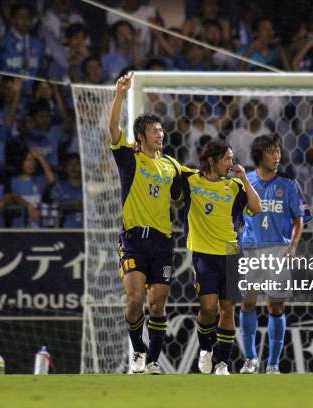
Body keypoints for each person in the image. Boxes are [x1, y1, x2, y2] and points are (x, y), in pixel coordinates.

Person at [108, 72, 182, 375]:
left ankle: (152, 360)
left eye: (161, 130)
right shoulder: (129, 158)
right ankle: (138, 352)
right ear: (141, 136)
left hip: (162, 241)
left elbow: (180, 195)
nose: (160, 134)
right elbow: (113, 128)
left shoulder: (171, 165)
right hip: (134, 239)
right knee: (136, 297)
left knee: (158, 304)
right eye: (154, 130)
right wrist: (120, 95)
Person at [180, 140, 261, 375]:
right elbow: (169, 168)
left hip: (231, 252)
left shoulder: (235, 186)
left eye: (232, 158)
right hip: (204, 252)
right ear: (211, 161)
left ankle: (222, 363)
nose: (231, 163)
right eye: (226, 158)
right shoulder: (190, 180)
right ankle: (206, 349)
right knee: (208, 308)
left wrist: (245, 178)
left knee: (228, 309)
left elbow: (257, 208)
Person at [238, 134, 311, 374]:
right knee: (248, 303)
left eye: (278, 151)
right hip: (251, 250)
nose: (277, 156)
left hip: (279, 251)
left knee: (275, 308)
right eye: (272, 152)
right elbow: (233, 214)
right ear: (260, 155)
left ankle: (273, 364)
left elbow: (299, 220)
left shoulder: (289, 184)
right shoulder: (245, 181)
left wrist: (292, 246)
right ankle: (250, 359)